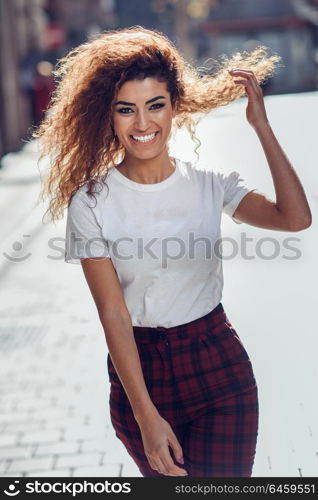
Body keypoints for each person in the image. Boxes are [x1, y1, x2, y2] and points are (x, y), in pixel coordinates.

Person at [33, 26, 312, 477]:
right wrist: (146, 417)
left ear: (175, 106)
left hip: (217, 364)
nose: (143, 124)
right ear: (108, 116)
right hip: (141, 376)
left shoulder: (210, 185)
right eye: (127, 110)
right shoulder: (90, 202)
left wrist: (262, 128)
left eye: (155, 105)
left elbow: (295, 218)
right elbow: (114, 315)